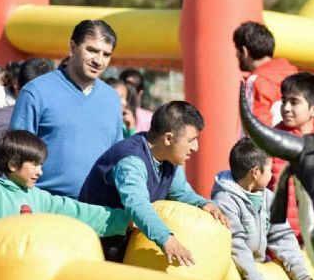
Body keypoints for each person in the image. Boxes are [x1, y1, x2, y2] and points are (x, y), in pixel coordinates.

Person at [79, 101, 229, 264]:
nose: (196, 147)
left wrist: (203, 203)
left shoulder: (169, 159)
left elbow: (181, 193)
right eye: (191, 140)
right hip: (96, 250)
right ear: (168, 138)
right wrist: (166, 239)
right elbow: (137, 205)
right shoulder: (131, 161)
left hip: (125, 249)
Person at [10, 20, 123, 198]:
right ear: (72, 47)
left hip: (100, 212)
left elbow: (117, 158)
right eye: (92, 50)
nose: (99, 61)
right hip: (46, 208)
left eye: (106, 54)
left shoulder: (112, 99)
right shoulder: (36, 92)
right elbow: (15, 156)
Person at [0, 130, 130, 237]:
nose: (40, 171)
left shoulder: (40, 198)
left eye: (41, 165)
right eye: (34, 165)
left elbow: (79, 213)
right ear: (12, 164)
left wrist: (123, 220)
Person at [212, 138, 313, 280]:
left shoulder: (268, 198)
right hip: (236, 277)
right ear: (255, 173)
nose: (272, 175)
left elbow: (282, 237)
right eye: (270, 169)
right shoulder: (225, 201)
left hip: (257, 268)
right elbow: (236, 245)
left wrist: (300, 273)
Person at [272, 72, 314, 240]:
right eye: (284, 101)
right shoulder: (270, 140)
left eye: (294, 102)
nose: (286, 108)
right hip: (279, 242)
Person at [233, 22, 298, 127]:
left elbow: (257, 128)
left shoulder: (256, 82)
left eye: (237, 52)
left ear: (245, 51)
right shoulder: (295, 76)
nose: (236, 55)